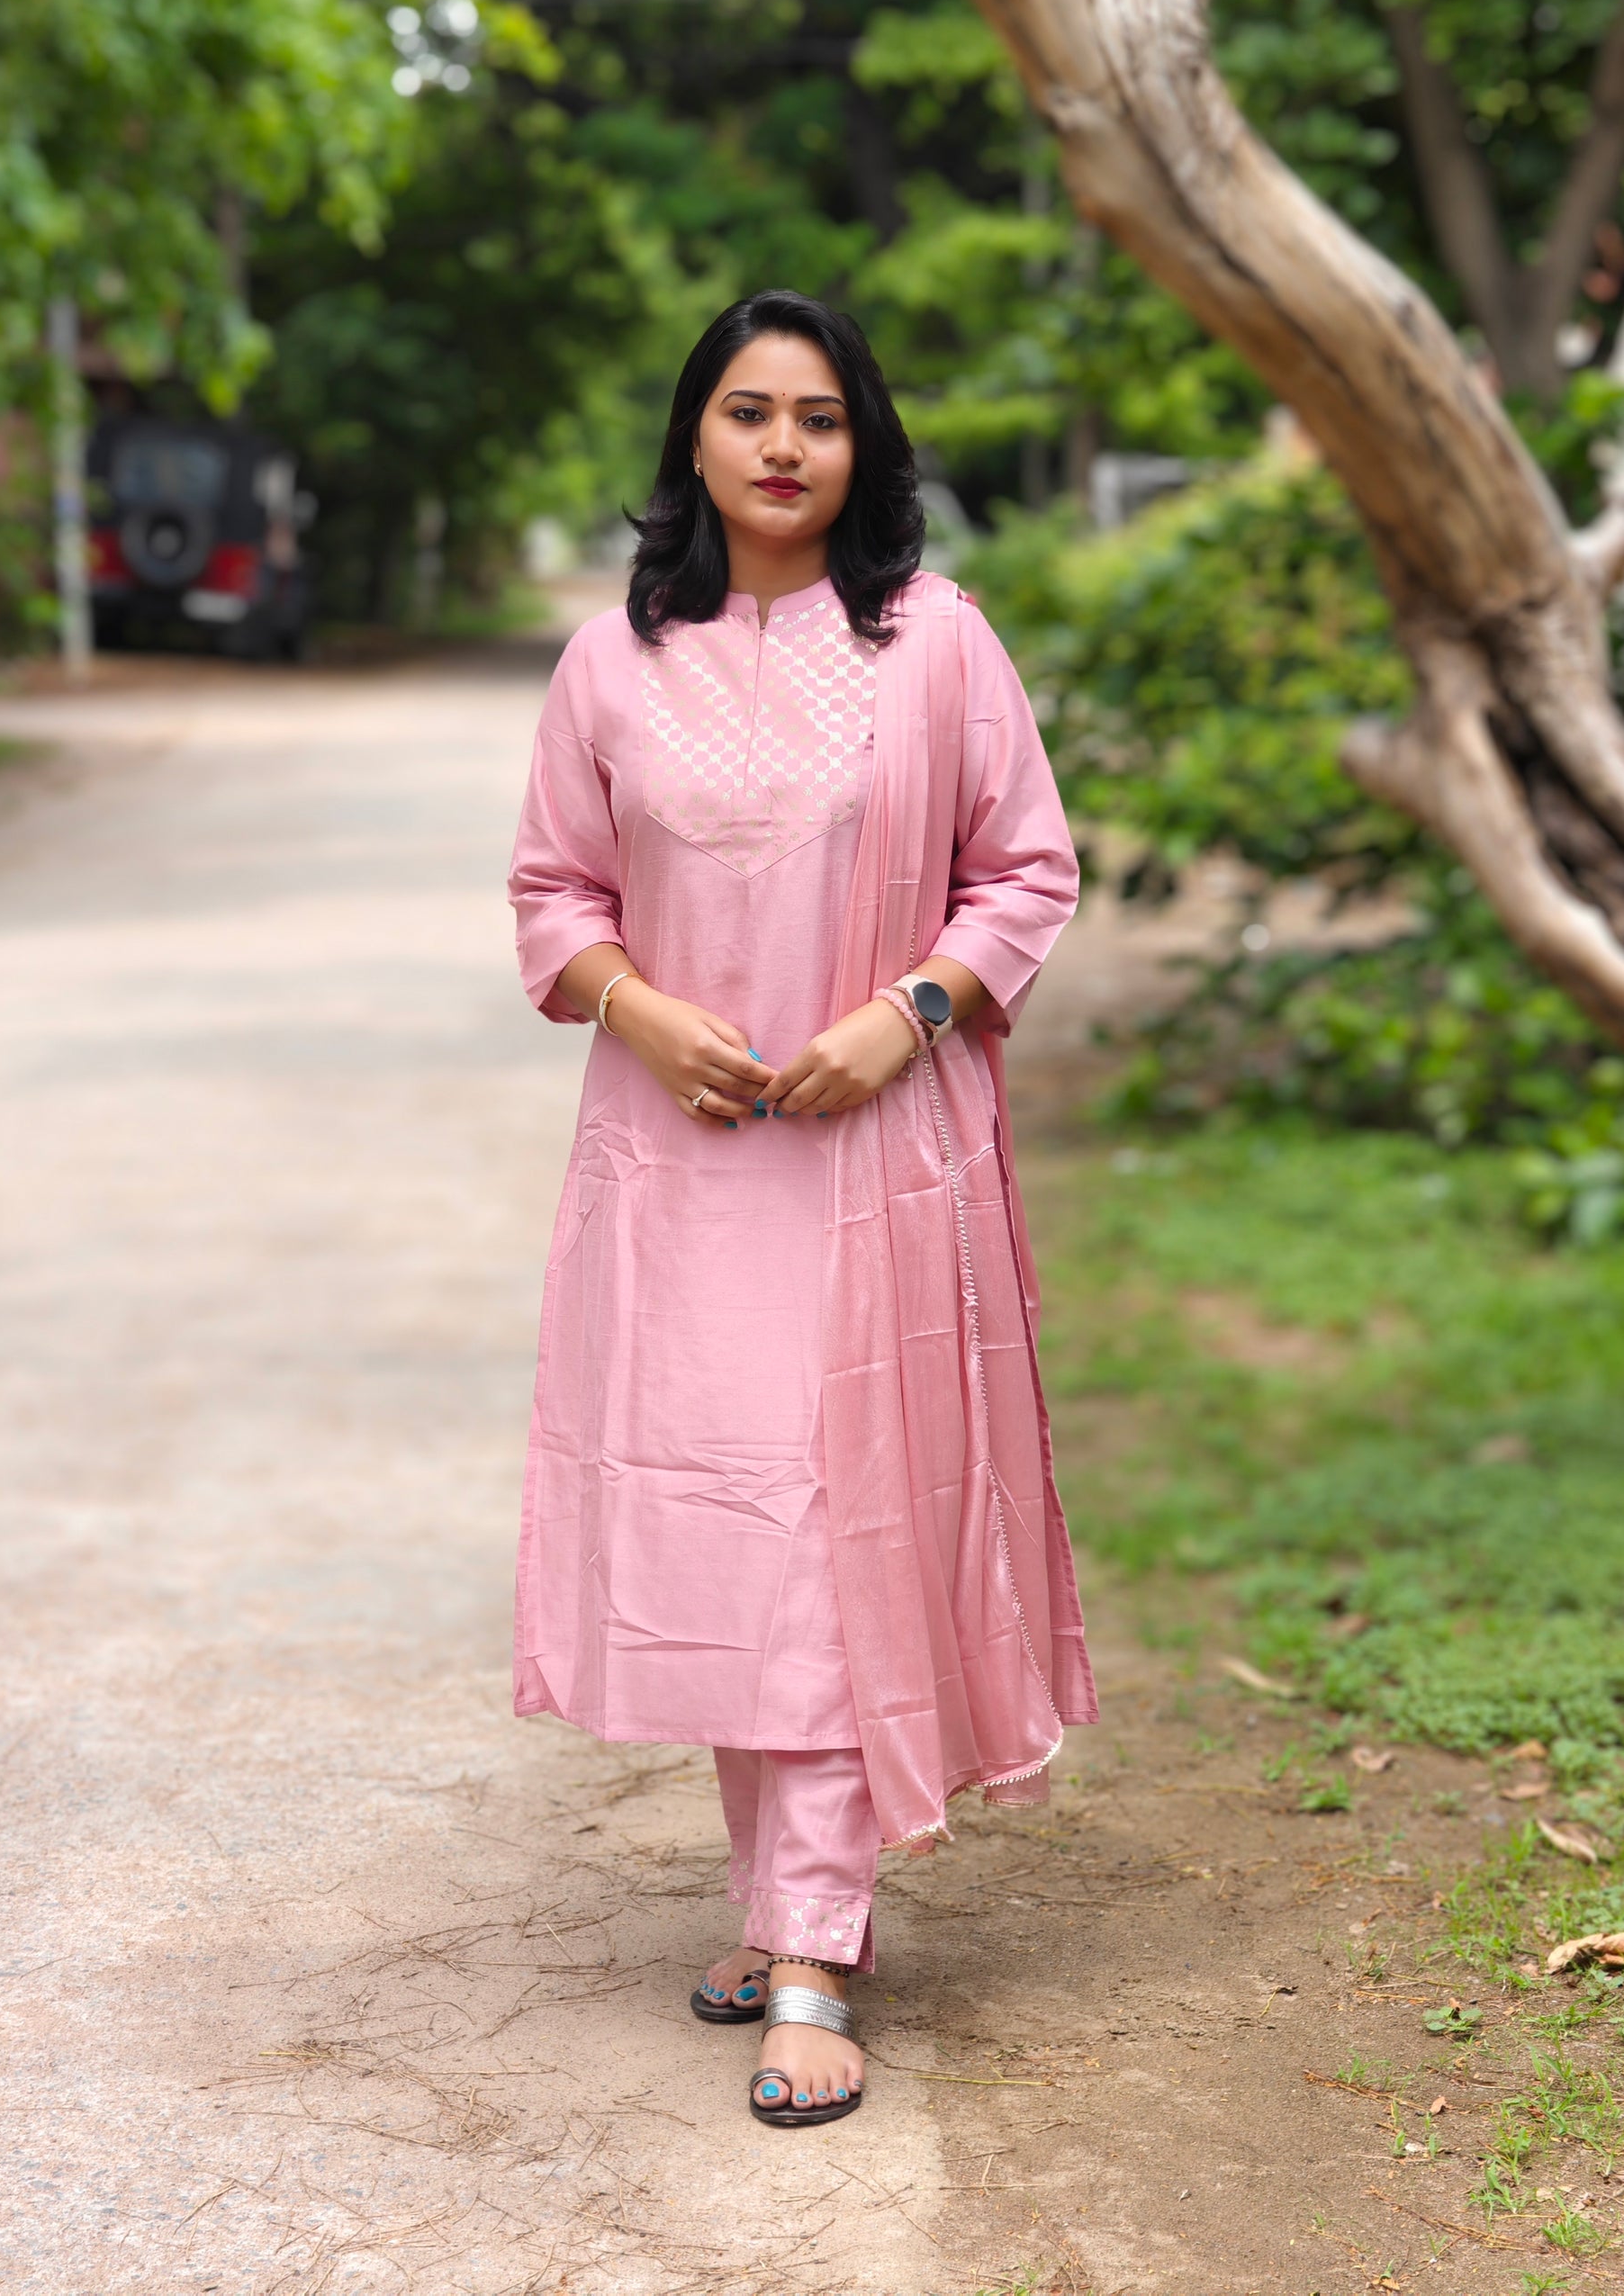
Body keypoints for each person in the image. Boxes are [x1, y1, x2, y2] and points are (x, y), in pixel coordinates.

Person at [508, 289, 1096, 2128]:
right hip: (679, 1165)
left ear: (864, 447)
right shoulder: (611, 662)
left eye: (820, 417)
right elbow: (551, 892)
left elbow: (1025, 873)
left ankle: (816, 1950)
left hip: (874, 1159)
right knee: (727, 1538)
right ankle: (780, 1909)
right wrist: (638, 1007)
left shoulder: (936, 645)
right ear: (693, 436)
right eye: (748, 410)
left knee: (835, 1528)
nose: (782, 445)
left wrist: (901, 1016)